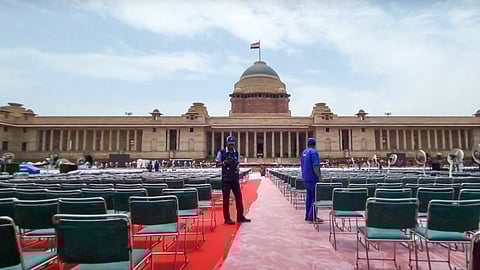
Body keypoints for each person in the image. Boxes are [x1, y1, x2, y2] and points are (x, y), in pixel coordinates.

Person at [216, 136, 251, 225]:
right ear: (227, 143)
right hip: (226, 178)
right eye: (230, 144)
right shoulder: (222, 152)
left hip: (234, 178)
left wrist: (237, 169)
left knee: (239, 197)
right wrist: (224, 163)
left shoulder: (236, 153)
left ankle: (240, 216)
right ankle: (227, 218)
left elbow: (238, 163)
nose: (231, 146)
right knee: (226, 199)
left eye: (232, 144)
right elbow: (217, 164)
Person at [300, 137, 322, 223]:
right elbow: (315, 166)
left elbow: (302, 165)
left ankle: (307, 215)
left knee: (309, 197)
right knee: (315, 197)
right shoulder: (314, 152)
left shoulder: (304, 152)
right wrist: (319, 177)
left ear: (307, 144)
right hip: (313, 178)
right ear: (315, 144)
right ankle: (312, 216)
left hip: (305, 177)